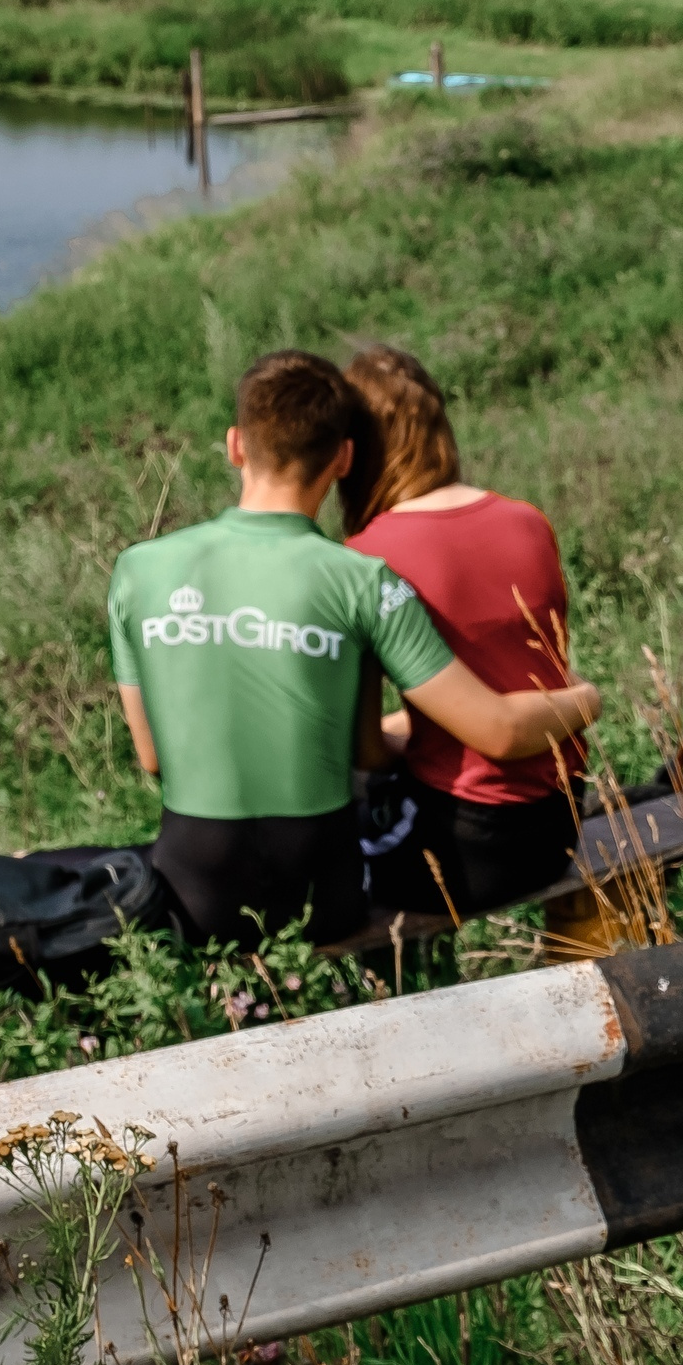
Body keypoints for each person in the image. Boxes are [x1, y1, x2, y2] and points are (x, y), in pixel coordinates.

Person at [107, 349, 602, 947]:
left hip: (223, 885)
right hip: (509, 838)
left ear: (237, 446)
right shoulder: (485, 536)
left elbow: (164, 757)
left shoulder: (145, 570)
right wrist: (583, 698)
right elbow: (485, 705)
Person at [338, 346, 606, 944]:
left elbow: (368, 752)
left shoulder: (367, 559)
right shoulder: (527, 520)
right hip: (558, 823)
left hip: (468, 849)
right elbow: (515, 677)